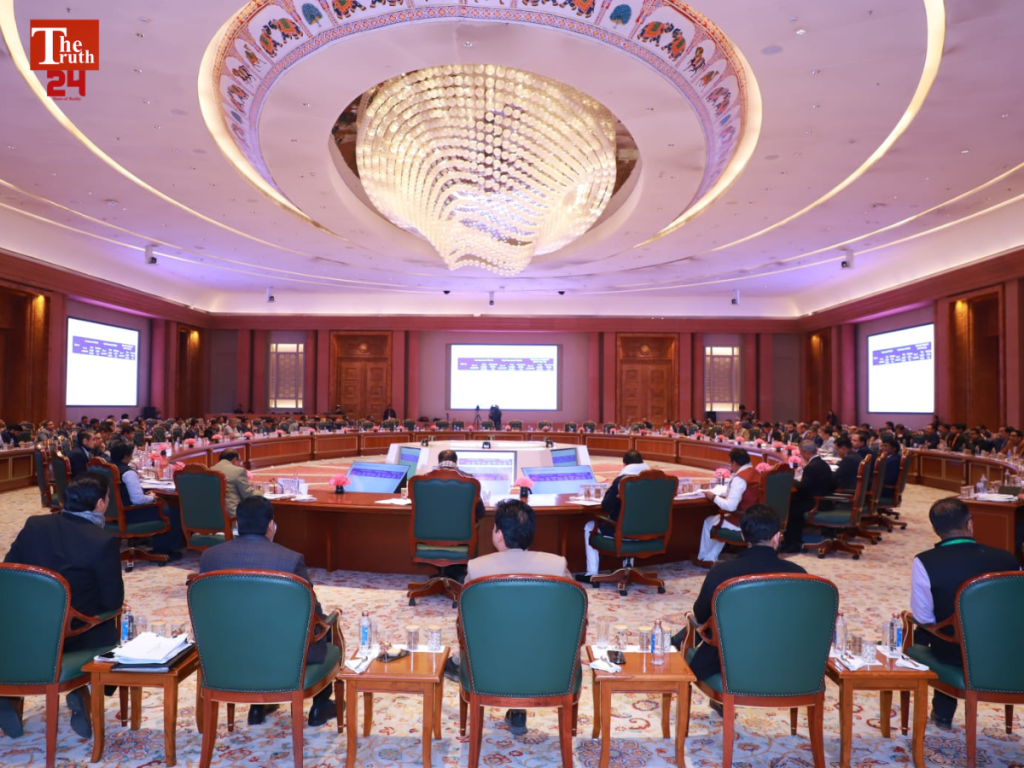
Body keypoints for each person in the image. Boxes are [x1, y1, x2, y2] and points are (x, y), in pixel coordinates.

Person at [1, 475, 124, 739]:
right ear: (100, 504)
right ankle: (83, 690)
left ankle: (9, 697)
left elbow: (9, 570)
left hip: (22, 630)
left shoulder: (34, 525)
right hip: (74, 633)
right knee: (114, 629)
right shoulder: (102, 540)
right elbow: (111, 601)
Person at [199, 496, 337, 727]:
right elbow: (310, 610)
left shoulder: (209, 557)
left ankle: (258, 707)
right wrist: (325, 621)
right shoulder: (290, 560)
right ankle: (320, 707)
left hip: (225, 653)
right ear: (271, 525)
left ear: (238, 524)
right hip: (282, 657)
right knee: (325, 625)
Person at [672, 505, 806, 714]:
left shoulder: (722, 572)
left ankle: (672, 650)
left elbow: (702, 615)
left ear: (743, 536)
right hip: (784, 660)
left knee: (701, 630)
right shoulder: (800, 575)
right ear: (777, 537)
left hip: (731, 663)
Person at [453, 499, 571, 736]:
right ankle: (518, 710)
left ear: (499, 534)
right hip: (547, 667)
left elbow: (464, 621)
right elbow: (572, 617)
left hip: (489, 668)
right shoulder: (557, 566)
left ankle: (456, 664)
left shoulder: (477, 568)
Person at [909, 497, 1020, 729]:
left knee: (926, 630)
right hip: (1011, 652)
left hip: (957, 654)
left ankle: (942, 713)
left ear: (935, 529)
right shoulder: (1008, 558)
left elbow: (924, 618)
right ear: (970, 523)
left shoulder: (925, 562)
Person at [578, 450, 650, 581]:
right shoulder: (657, 481)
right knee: (634, 523)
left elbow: (606, 506)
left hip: (622, 532)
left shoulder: (622, 481)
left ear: (624, 465)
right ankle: (628, 568)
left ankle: (592, 573)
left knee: (590, 526)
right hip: (649, 532)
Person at [107, 440, 183, 558]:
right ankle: (164, 550)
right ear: (126, 456)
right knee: (174, 511)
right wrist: (151, 497)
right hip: (130, 513)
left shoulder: (107, 468)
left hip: (110, 513)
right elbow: (138, 500)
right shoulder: (128, 473)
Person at [695, 448, 762, 567]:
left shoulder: (740, 479)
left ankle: (705, 558)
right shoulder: (756, 473)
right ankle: (711, 557)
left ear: (734, 463)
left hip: (742, 521)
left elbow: (731, 507)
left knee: (709, 522)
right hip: (756, 518)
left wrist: (713, 497)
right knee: (717, 520)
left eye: (731, 464)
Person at [781, 441, 836, 553]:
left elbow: (803, 487)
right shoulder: (822, 463)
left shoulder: (811, 467)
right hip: (823, 499)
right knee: (793, 502)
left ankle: (793, 543)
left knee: (791, 508)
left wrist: (791, 480)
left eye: (801, 454)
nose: (801, 457)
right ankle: (790, 540)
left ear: (806, 453)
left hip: (816, 502)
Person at [435, 449, 486, 521]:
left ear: (438, 462)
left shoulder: (424, 481)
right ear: (456, 462)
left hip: (431, 527)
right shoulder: (470, 480)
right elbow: (480, 512)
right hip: (463, 528)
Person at [210, 449, 263, 517]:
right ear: (234, 460)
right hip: (233, 515)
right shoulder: (238, 471)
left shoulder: (210, 470)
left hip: (212, 514)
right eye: (240, 461)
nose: (240, 464)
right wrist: (260, 492)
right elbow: (248, 495)